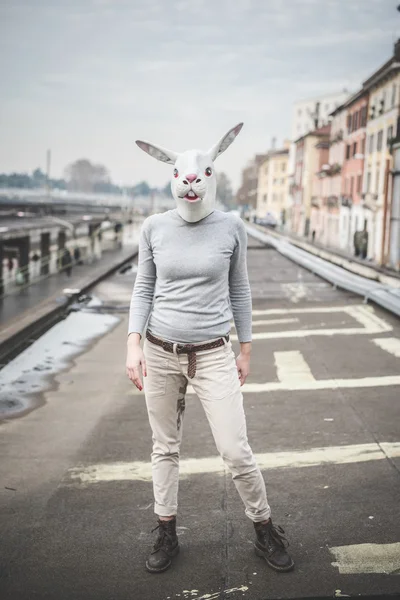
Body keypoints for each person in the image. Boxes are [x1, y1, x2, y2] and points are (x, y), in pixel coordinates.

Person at [126, 123, 294, 575]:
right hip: (160, 350)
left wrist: (246, 349)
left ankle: (264, 529)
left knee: (235, 449)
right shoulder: (154, 227)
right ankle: (166, 530)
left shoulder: (232, 227)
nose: (191, 184)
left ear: (210, 177)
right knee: (164, 446)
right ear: (174, 178)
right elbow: (144, 288)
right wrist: (133, 345)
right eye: (184, 176)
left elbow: (240, 291)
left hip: (215, 351)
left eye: (200, 176)